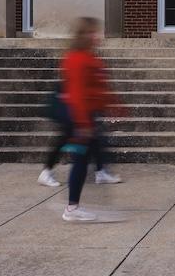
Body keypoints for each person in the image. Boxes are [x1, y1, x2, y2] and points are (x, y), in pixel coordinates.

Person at [60, 17, 121, 222]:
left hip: (88, 116)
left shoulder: (88, 57)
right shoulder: (77, 59)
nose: (97, 36)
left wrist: (114, 107)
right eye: (93, 33)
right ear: (84, 35)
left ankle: (101, 172)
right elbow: (77, 93)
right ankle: (72, 208)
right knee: (80, 162)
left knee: (94, 150)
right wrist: (83, 124)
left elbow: (99, 88)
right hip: (79, 117)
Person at [39, 84, 121, 188]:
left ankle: (100, 172)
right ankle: (46, 172)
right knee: (65, 137)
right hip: (72, 99)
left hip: (77, 97)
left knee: (92, 136)